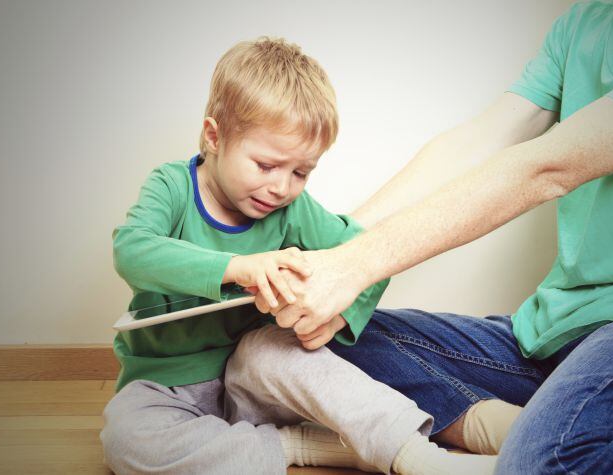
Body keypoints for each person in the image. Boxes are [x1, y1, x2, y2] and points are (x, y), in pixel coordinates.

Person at [255, 1, 613, 473]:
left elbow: (548, 168)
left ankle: (545, 445)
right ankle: (529, 433)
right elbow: (478, 142)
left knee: (552, 460)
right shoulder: (583, 24)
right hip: (557, 329)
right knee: (300, 341)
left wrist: (358, 264)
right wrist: (326, 257)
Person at [100, 37, 497, 475]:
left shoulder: (290, 208)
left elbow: (363, 251)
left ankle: (411, 454)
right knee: (125, 442)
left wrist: (339, 317)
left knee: (273, 351)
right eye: (266, 166)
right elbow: (132, 249)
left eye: (301, 172)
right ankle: (296, 446)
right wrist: (235, 267)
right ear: (214, 137)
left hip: (252, 379)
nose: (282, 187)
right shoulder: (172, 187)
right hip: (164, 385)